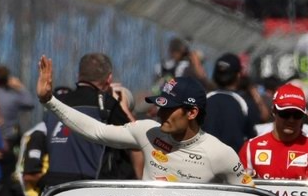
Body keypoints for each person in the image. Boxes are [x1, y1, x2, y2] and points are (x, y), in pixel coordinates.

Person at [38, 56, 244, 185]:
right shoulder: (149, 131)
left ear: (192, 113)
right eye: (160, 106)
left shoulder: (221, 153)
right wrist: (50, 101)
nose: (160, 113)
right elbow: (97, 131)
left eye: (169, 109)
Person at [38, 53, 142, 188]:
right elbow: (136, 140)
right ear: (109, 78)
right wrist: (122, 106)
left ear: (78, 75)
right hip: (89, 190)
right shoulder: (106, 104)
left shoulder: (56, 104)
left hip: (54, 188)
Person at [239, 84, 308, 180]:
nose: (291, 120)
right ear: (274, 111)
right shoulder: (250, 147)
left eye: (297, 114)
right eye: (285, 113)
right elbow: (241, 188)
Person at [203, 53, 259, 153]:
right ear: (238, 75)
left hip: (204, 162)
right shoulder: (245, 103)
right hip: (234, 164)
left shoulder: (204, 100)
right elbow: (253, 138)